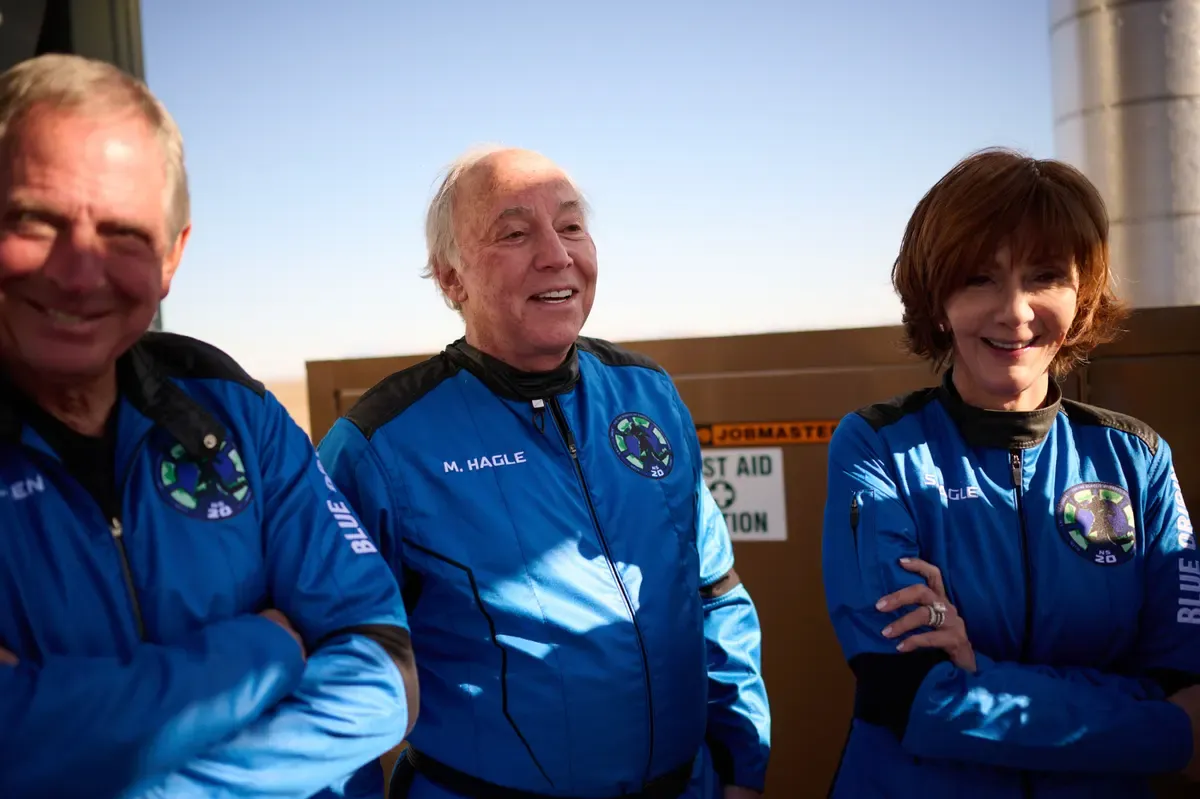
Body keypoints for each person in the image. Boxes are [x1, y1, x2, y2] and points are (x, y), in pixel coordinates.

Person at [0, 54, 418, 799]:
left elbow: (387, 669)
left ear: (171, 259)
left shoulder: (233, 415)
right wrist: (257, 651)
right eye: (34, 220)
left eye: (124, 234)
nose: (77, 270)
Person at [317, 145, 770, 799]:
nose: (557, 255)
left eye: (570, 225)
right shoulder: (381, 445)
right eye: (514, 232)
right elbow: (335, 673)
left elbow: (716, 592)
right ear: (451, 279)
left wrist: (740, 767)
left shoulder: (648, 395)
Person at [821, 147, 1200, 797]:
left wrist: (978, 672)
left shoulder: (1137, 458)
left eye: (1046, 275)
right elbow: (907, 693)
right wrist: (1144, 718)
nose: (1016, 310)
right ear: (936, 297)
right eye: (980, 279)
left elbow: (1189, 697)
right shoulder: (879, 447)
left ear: (1082, 296)